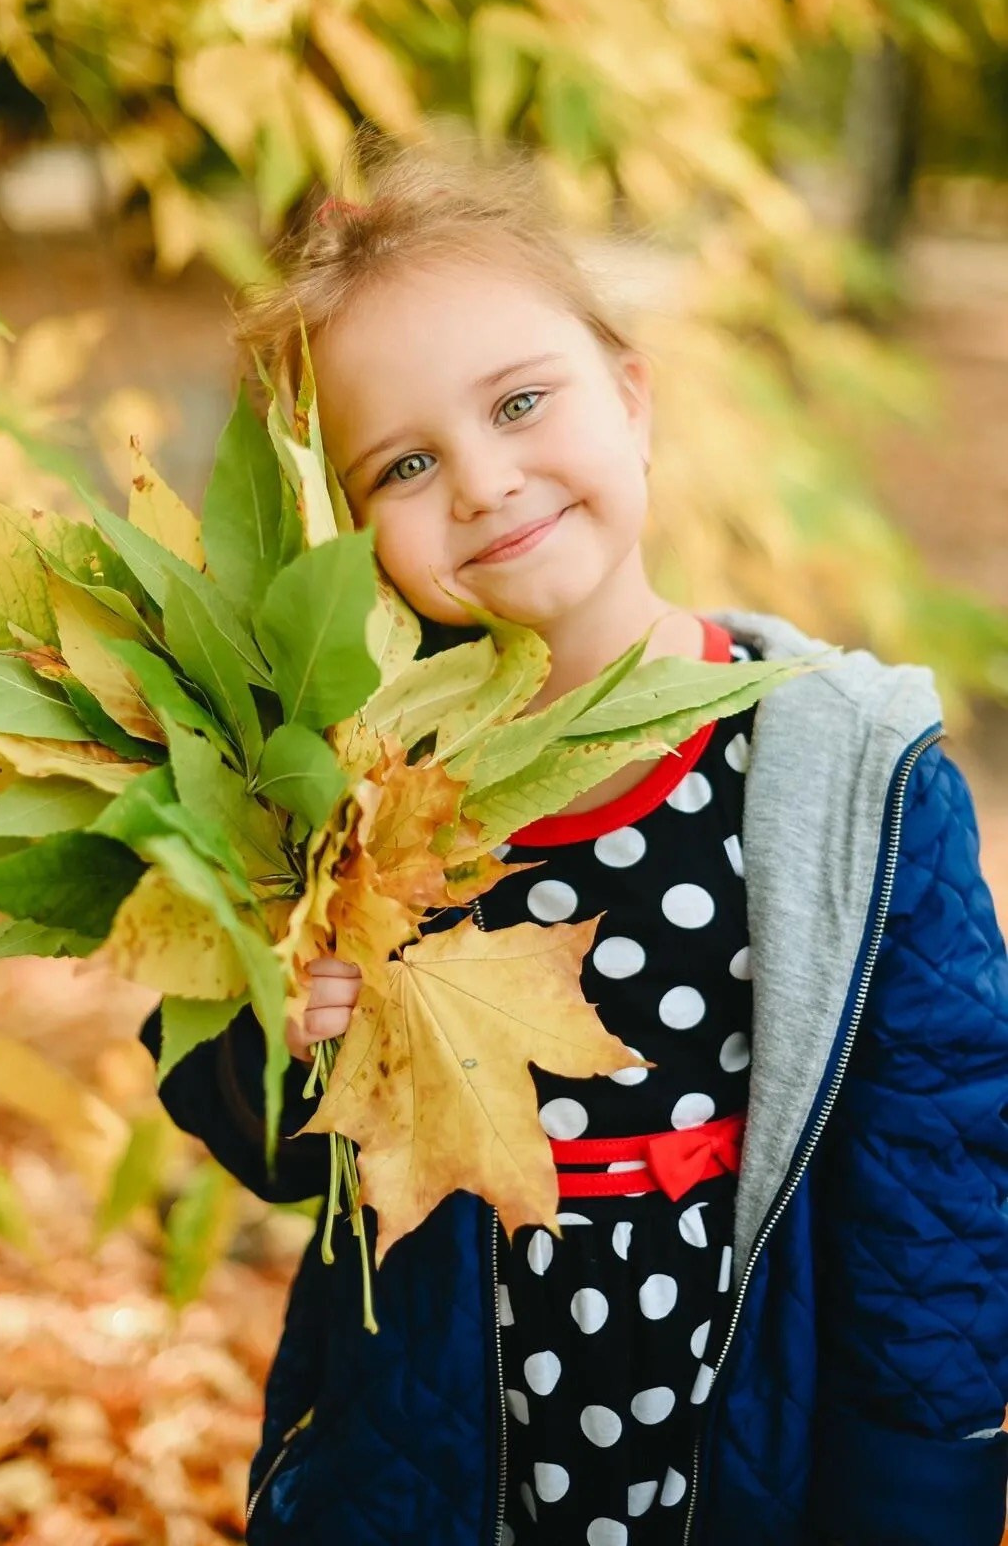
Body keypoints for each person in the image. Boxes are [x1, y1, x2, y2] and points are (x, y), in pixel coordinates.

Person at [138, 131, 1008, 1546]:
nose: (483, 481)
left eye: (520, 402)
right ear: (342, 536)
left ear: (631, 396)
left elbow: (938, 1169)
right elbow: (274, 1142)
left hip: (744, 1440)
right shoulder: (356, 799)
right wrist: (279, 1036)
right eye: (404, 463)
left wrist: (921, 1493)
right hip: (438, 1457)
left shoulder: (850, 773)